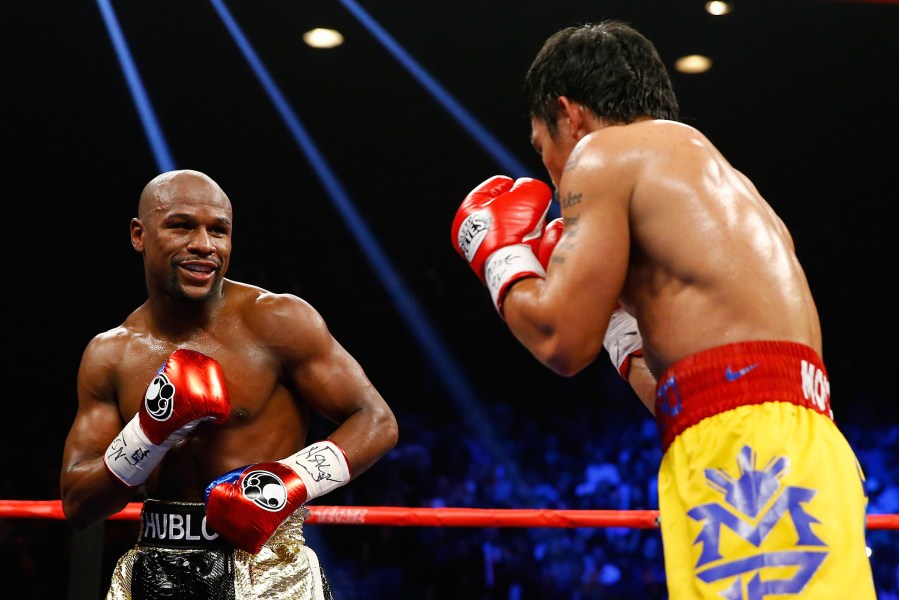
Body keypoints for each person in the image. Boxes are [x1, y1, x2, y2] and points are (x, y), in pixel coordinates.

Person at [451, 20, 875, 598]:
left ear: (568, 115)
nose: (551, 170)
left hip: (750, 459)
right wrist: (619, 325)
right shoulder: (720, 181)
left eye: (540, 145)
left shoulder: (602, 154)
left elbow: (559, 343)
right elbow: (700, 387)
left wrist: (497, 253)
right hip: (776, 445)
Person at [61, 169, 399, 599]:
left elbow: (376, 419)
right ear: (138, 235)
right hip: (153, 564)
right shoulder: (110, 353)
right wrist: (149, 432)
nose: (204, 244)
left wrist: (286, 481)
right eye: (181, 225)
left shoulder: (276, 321)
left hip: (269, 569)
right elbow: (79, 503)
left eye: (219, 230)